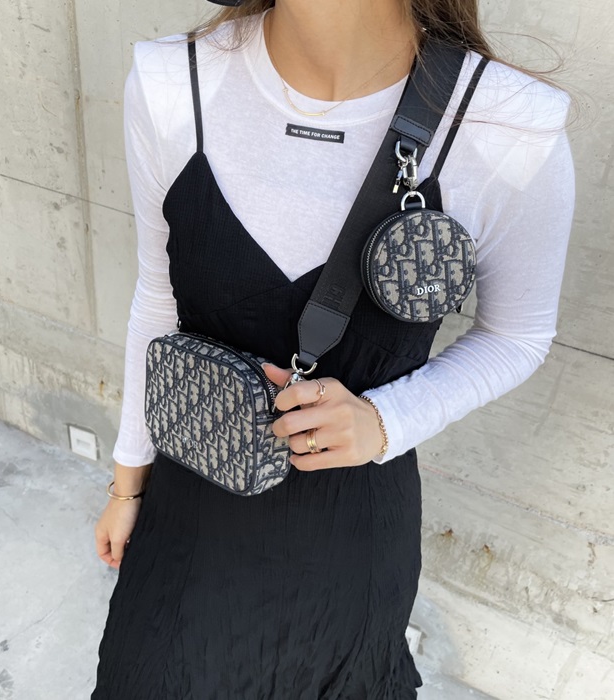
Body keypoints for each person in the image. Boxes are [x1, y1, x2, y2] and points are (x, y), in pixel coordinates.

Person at [91, 0, 575, 697]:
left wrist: (386, 420)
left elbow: (517, 335)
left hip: (349, 537)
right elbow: (158, 302)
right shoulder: (174, 81)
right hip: (188, 505)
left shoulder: (508, 123)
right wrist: (127, 481)